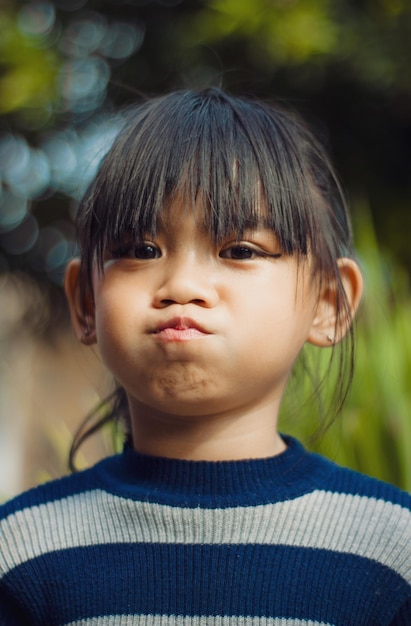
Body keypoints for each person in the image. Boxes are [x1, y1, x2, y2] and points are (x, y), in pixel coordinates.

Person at [0, 88, 410, 626]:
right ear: (85, 302)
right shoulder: (21, 552)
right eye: (141, 250)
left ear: (328, 304)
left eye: (240, 250)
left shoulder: (391, 549)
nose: (183, 285)